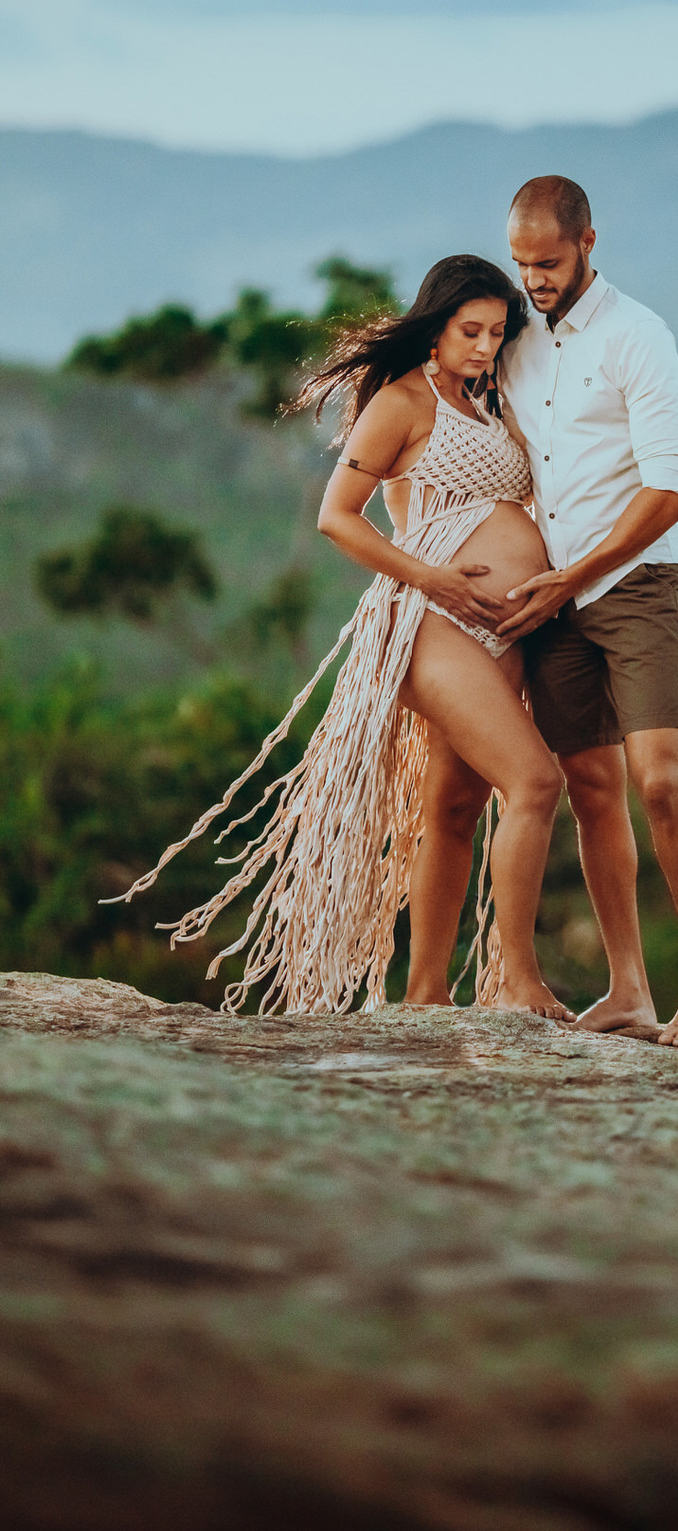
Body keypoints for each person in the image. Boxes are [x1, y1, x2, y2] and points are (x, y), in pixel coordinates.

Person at [107, 255, 573, 1022]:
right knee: (535, 782)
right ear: (435, 324)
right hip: (431, 622)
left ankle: (425, 995)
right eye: (470, 330)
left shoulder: (489, 402)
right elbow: (338, 516)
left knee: (455, 810)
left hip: (501, 635)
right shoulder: (401, 401)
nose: (486, 346)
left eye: (497, 332)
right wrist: (435, 581)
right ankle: (517, 980)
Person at [495, 175, 678, 1047]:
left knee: (659, 779)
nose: (534, 280)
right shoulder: (515, 341)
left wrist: (576, 575)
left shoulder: (640, 337)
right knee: (591, 789)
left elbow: (673, 491)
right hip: (550, 596)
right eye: (521, 264)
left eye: (547, 262)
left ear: (590, 241)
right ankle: (629, 986)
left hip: (634, 584)